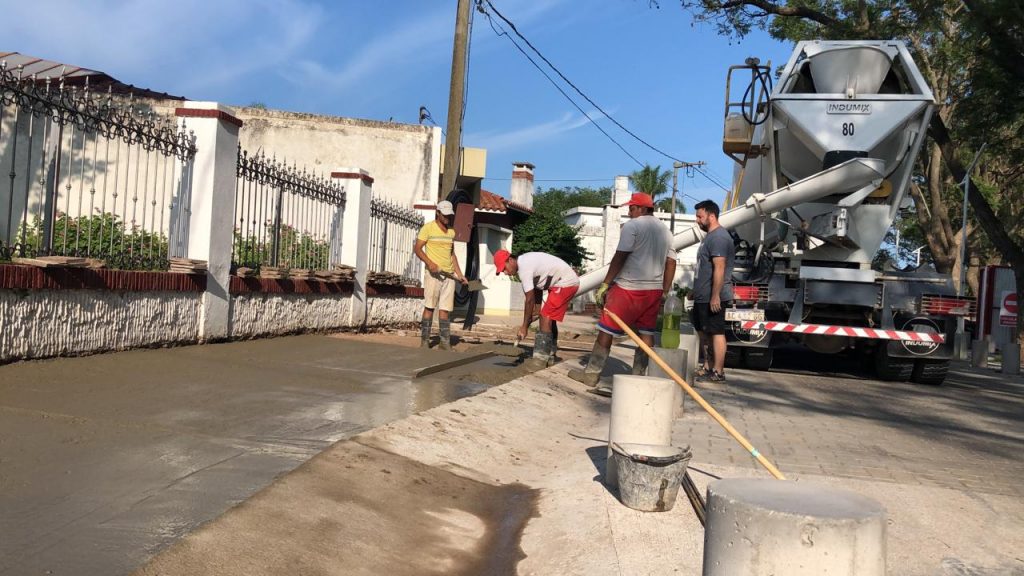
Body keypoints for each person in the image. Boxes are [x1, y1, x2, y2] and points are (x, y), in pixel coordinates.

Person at [569, 192, 677, 395]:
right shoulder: (665, 231)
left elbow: (620, 255)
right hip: (653, 291)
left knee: (606, 330)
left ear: (642, 209)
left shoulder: (633, 227)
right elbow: (671, 262)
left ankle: (591, 374)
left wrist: (606, 283)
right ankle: (638, 378)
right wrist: (665, 289)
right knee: (646, 333)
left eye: (632, 208)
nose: (629, 212)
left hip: (628, 288)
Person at [493, 250, 580, 367]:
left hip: (565, 282)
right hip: (560, 282)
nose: (505, 273)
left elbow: (529, 300)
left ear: (510, 260)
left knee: (545, 317)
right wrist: (537, 310)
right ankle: (551, 355)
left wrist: (524, 327)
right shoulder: (524, 263)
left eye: (504, 268)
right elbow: (537, 287)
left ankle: (540, 361)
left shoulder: (524, 268)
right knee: (548, 317)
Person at [414, 200, 468, 350]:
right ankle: (424, 341)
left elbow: (452, 255)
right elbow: (417, 249)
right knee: (430, 307)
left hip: (449, 275)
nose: (447, 218)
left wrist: (459, 274)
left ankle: (444, 342)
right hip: (433, 275)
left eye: (449, 215)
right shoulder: (428, 228)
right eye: (444, 215)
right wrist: (430, 263)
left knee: (445, 309)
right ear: (438, 213)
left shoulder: (451, 231)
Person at [691, 199, 735, 382]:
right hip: (703, 295)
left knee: (716, 332)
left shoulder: (719, 237)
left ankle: (719, 371)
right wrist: (695, 290)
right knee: (705, 332)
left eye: (700, 216)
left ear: (711, 215)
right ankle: (708, 366)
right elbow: (704, 268)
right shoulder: (709, 237)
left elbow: (719, 267)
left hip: (713, 296)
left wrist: (715, 296)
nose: (697, 220)